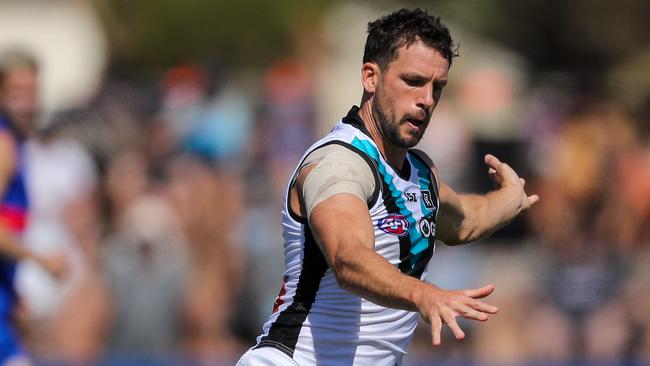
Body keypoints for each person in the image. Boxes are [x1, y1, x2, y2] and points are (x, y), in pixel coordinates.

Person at [238, 8, 538, 366]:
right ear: (370, 77)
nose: (427, 99)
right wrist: (423, 294)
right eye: (413, 81)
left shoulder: (420, 173)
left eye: (437, 87)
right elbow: (348, 258)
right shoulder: (340, 163)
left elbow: (466, 221)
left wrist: (510, 198)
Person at [0, 49, 65, 364]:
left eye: (33, 92)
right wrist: (42, 260)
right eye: (17, 93)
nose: (28, 104)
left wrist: (12, 295)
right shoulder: (4, 147)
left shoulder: (17, 145)